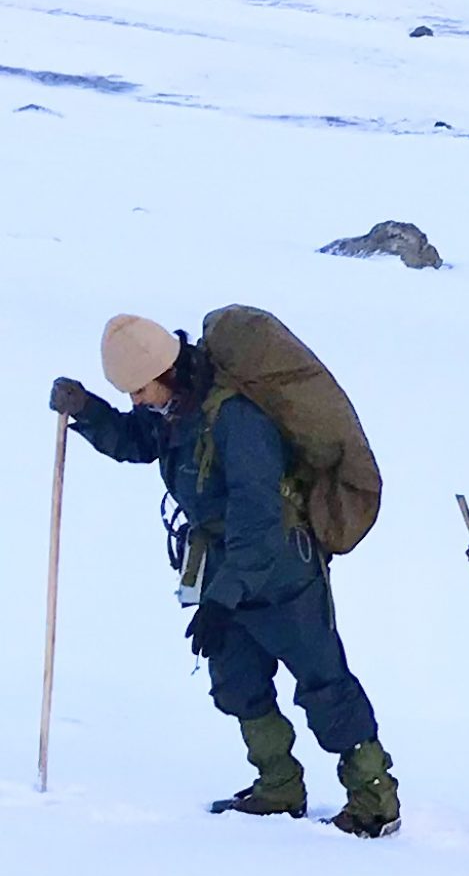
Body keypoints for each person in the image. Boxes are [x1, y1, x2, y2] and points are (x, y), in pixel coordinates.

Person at [49, 317, 398, 835]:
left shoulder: (236, 420)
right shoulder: (176, 408)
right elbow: (140, 441)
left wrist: (222, 599)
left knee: (323, 684)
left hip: (281, 569)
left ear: (165, 371)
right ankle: (278, 786)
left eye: (139, 390)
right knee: (237, 680)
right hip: (220, 564)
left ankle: (374, 800)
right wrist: (89, 413)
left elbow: (258, 523)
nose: (138, 400)